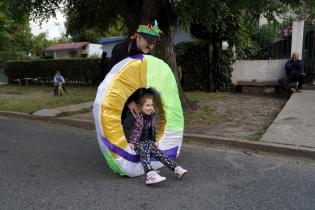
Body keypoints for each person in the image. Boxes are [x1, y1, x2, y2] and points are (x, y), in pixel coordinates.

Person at [123, 93, 188, 185]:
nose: (150, 107)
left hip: (146, 141)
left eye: (151, 105)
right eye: (147, 105)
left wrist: (153, 140)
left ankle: (176, 168)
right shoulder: (134, 116)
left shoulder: (150, 116)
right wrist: (129, 142)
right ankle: (150, 174)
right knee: (144, 148)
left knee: (159, 153)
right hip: (136, 142)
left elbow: (151, 128)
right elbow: (125, 127)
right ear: (140, 106)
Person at [107, 19, 162, 120]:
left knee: (140, 129)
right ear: (138, 37)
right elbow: (114, 79)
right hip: (118, 99)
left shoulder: (148, 54)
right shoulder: (121, 49)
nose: (151, 46)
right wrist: (129, 101)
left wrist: (150, 99)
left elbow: (146, 79)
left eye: (153, 42)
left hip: (138, 97)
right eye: (149, 41)